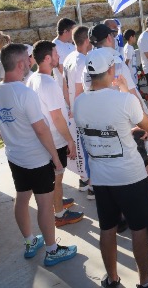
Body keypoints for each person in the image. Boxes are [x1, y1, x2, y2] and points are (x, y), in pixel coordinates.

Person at [73, 49, 148, 288]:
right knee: (139, 228)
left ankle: (112, 279)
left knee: (107, 228)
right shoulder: (124, 100)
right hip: (130, 176)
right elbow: (146, 124)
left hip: (100, 178)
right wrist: (126, 90)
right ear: (110, 70)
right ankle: (144, 281)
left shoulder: (79, 102)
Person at [0, 43, 77, 266]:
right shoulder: (25, 93)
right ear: (20, 64)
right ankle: (52, 250)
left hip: (14, 156)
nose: (30, 61)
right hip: (36, 159)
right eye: (27, 59)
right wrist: (55, 158)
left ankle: (29, 242)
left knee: (22, 198)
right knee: (45, 205)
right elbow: (41, 129)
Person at [27, 41, 84, 228]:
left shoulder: (33, 79)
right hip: (55, 139)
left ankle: (57, 201)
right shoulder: (48, 83)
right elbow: (57, 117)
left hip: (43, 139)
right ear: (47, 58)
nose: (59, 56)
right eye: (55, 53)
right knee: (57, 178)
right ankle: (59, 214)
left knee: (54, 178)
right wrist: (70, 140)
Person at [62, 26, 92, 195]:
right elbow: (79, 89)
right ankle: (92, 187)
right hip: (81, 113)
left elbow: (65, 86)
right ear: (87, 40)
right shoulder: (82, 61)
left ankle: (83, 181)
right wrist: (77, 110)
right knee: (87, 150)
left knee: (81, 150)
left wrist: (70, 107)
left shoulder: (69, 57)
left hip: (73, 111)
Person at [52, 18, 77, 92]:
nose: (75, 33)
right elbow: (61, 69)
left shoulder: (70, 44)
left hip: (74, 86)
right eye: (73, 31)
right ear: (65, 31)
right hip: (65, 89)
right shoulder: (55, 45)